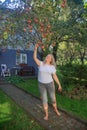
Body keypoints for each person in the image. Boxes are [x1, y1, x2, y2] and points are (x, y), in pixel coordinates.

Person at [33, 44, 62, 120]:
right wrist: (35, 49)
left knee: (53, 99)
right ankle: (46, 115)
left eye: (49, 57)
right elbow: (34, 58)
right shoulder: (41, 63)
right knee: (44, 100)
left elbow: (55, 76)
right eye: (47, 56)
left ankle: (56, 110)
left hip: (50, 84)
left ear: (51, 60)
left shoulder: (52, 67)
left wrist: (59, 85)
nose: (47, 57)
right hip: (41, 84)